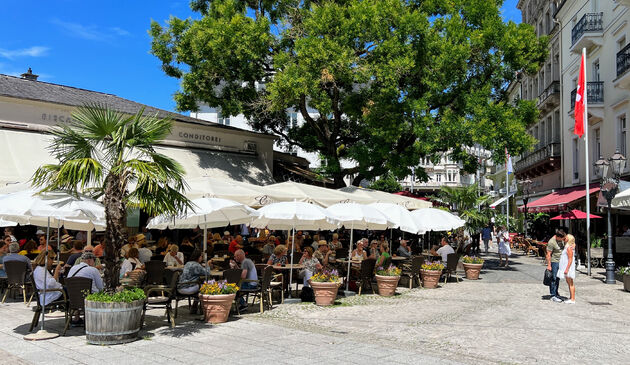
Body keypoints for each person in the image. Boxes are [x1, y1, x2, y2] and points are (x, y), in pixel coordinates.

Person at [557, 230, 576, 304]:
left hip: (568, 267)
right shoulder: (569, 246)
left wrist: (567, 269)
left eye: (566, 238)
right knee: (569, 282)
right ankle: (571, 297)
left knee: (570, 283)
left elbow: (570, 259)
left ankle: (573, 299)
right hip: (567, 266)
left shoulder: (568, 247)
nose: (565, 239)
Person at [546, 229, 564, 302]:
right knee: (553, 278)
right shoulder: (551, 242)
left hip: (560, 261)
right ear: (558, 237)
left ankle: (556, 292)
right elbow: (548, 254)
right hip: (554, 261)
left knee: (558, 278)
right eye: (561, 238)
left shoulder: (561, 240)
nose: (562, 240)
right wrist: (549, 265)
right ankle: (553, 295)